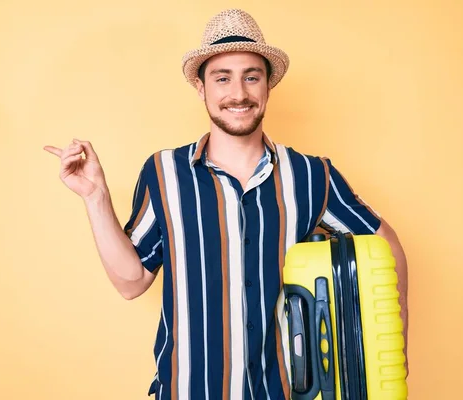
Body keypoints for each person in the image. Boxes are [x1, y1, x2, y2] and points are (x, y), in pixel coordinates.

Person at [44, 8, 408, 400]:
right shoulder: (164, 173)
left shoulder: (310, 175)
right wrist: (96, 197)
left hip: (281, 393)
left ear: (268, 85)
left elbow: (388, 251)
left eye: (251, 76)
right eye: (223, 78)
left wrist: (390, 362)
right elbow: (132, 282)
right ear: (201, 88)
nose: (238, 93)